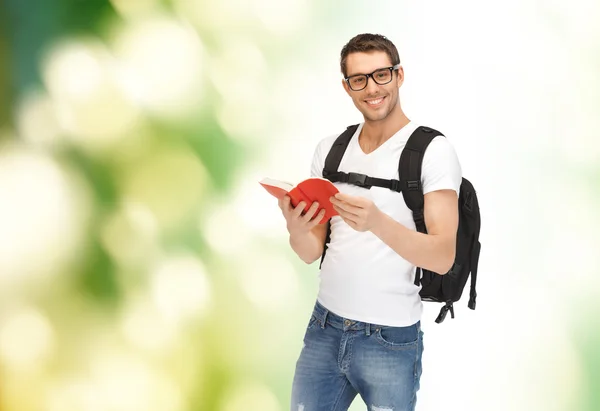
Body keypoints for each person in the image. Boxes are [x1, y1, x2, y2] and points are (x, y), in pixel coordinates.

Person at [279, 33, 462, 411]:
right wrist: (296, 227)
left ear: (399, 75)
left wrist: (377, 222)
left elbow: (443, 256)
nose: (372, 88)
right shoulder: (329, 151)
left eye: (381, 75)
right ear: (347, 87)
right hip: (324, 329)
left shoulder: (433, 152)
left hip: (390, 340)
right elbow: (311, 252)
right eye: (359, 79)